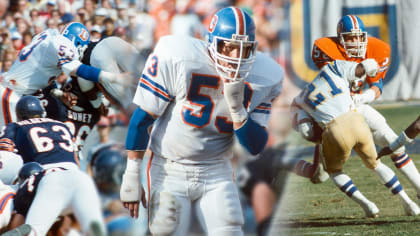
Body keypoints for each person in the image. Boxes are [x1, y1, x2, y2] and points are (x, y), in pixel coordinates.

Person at [120, 6, 283, 235]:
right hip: (170, 167)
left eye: (244, 49)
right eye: (229, 46)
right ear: (212, 43)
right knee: (167, 229)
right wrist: (132, 172)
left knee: (230, 228)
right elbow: (143, 116)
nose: (235, 57)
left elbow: (255, 146)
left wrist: (238, 111)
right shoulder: (178, 55)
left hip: (216, 170)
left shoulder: (265, 75)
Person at [295, 15, 420, 198]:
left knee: (393, 142)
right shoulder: (326, 49)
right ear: (340, 39)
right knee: (318, 175)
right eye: (350, 37)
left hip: (356, 105)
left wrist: (364, 97)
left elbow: (377, 87)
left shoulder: (376, 49)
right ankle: (283, 164)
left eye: (358, 37)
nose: (355, 42)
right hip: (334, 113)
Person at [293, 59, 420, 217]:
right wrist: (371, 72)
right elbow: (367, 67)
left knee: (334, 171)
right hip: (357, 119)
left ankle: (367, 205)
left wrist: (321, 138)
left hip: (334, 129)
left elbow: (306, 132)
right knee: (376, 165)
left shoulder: (298, 100)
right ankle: (408, 203)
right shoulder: (332, 68)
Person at [0, 96, 106, 236]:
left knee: (31, 231)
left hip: (48, 179)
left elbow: (5, 154)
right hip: (79, 177)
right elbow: (75, 158)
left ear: (19, 114)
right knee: (95, 230)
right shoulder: (62, 125)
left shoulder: (15, 126)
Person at [0, 22, 131, 127]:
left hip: (18, 91)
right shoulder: (63, 45)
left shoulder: (48, 36)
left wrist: (60, 94)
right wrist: (115, 78)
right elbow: (79, 70)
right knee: (10, 143)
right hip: (10, 94)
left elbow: (39, 76)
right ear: (78, 43)